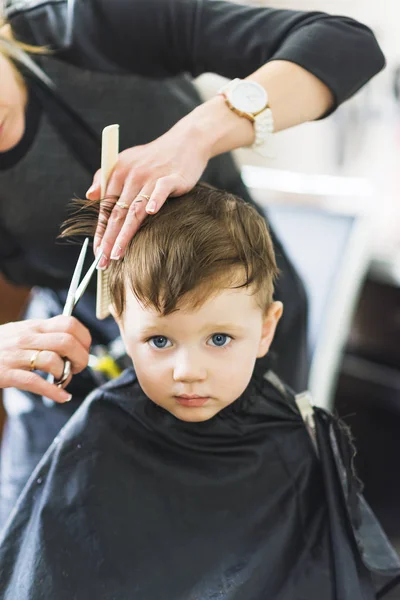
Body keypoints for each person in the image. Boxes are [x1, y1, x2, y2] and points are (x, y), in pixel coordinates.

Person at [0, 0, 386, 524]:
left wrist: (197, 134)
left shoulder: (87, 28)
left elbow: (343, 43)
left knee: (247, 531)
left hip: (240, 331)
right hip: (76, 352)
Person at [0, 185, 398, 600]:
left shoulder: (296, 441)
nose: (188, 372)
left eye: (220, 339)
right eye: (159, 341)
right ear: (122, 326)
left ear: (265, 329)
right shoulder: (100, 437)